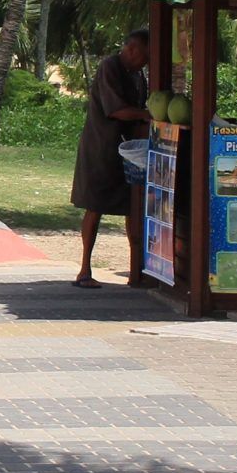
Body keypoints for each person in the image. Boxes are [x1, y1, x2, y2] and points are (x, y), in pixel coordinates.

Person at [70, 28, 153, 289]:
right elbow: (116, 110)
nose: (146, 62)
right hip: (102, 147)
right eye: (144, 55)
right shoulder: (110, 67)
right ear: (131, 49)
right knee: (95, 206)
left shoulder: (138, 74)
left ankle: (135, 269)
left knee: (133, 207)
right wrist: (146, 115)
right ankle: (84, 269)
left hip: (130, 150)